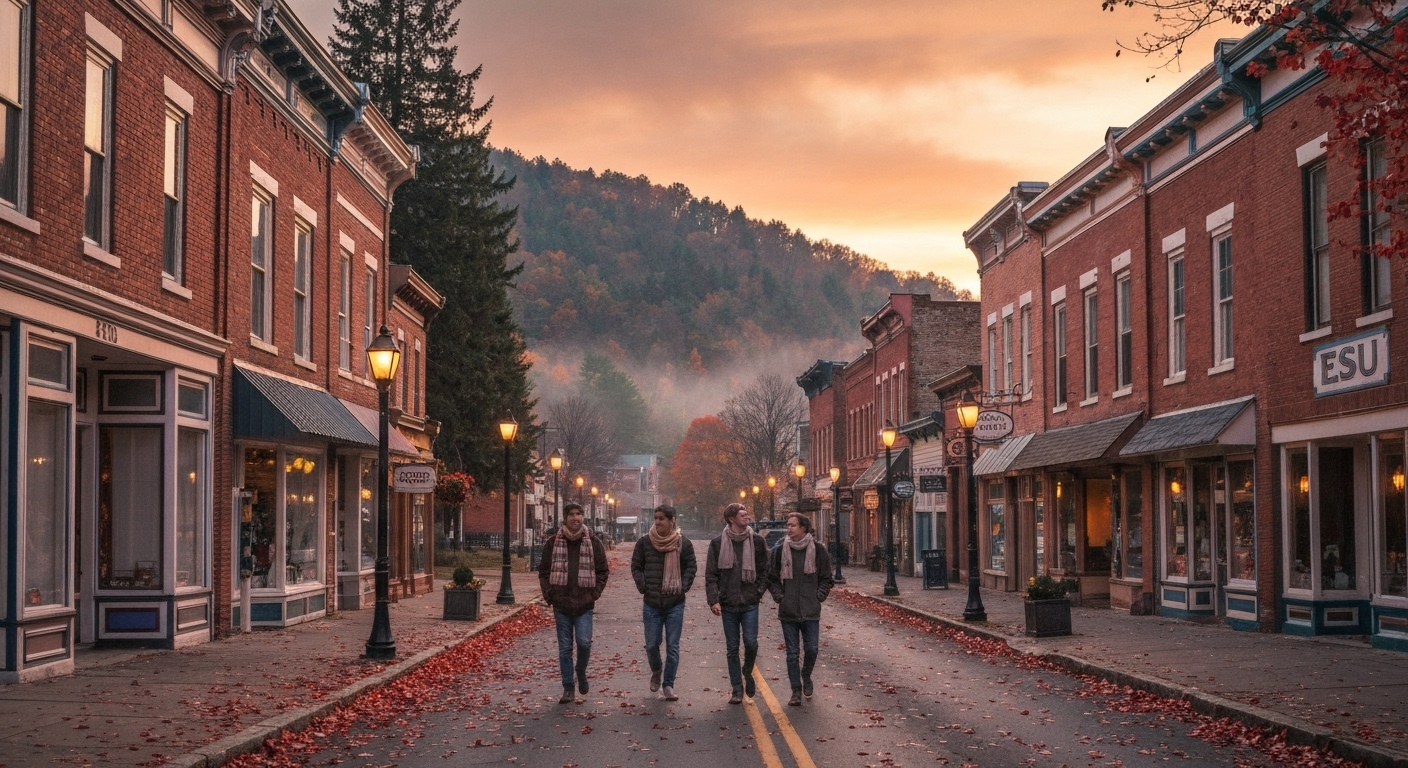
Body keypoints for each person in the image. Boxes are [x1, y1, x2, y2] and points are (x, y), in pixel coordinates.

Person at [538, 503, 609, 704]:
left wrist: (594, 594)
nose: (575, 518)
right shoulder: (553, 543)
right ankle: (568, 687)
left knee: (584, 643)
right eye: (571, 515)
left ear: (583, 517)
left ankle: (581, 670)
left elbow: (603, 571)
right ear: (565, 518)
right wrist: (549, 594)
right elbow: (543, 571)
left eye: (579, 514)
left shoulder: (593, 543)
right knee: (565, 648)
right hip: (561, 604)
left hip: (584, 604)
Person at [705, 502, 769, 704]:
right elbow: (711, 575)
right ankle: (737, 689)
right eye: (743, 514)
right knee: (732, 648)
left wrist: (757, 592)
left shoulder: (757, 541)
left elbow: (765, 570)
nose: (747, 516)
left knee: (750, 642)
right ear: (731, 519)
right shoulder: (717, 543)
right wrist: (714, 600)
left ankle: (747, 671)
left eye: (747, 513)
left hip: (750, 602)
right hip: (729, 603)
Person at [631, 504, 697, 701]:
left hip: (675, 602)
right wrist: (643, 585)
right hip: (651, 602)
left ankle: (668, 685)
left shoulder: (683, 543)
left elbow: (691, 567)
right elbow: (636, 566)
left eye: (661, 518)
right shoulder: (644, 543)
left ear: (672, 520)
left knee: (673, 646)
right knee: (651, 645)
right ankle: (657, 670)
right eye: (656, 518)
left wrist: (683, 586)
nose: (657, 522)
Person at [767, 512, 834, 706]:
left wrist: (818, 597)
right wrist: (780, 597)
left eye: (793, 525)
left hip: (810, 610)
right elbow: (772, 578)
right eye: (788, 525)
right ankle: (796, 690)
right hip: (788, 611)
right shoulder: (780, 550)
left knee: (812, 649)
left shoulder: (819, 550)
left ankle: (806, 675)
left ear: (803, 528)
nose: (789, 529)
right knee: (792, 653)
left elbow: (826, 578)